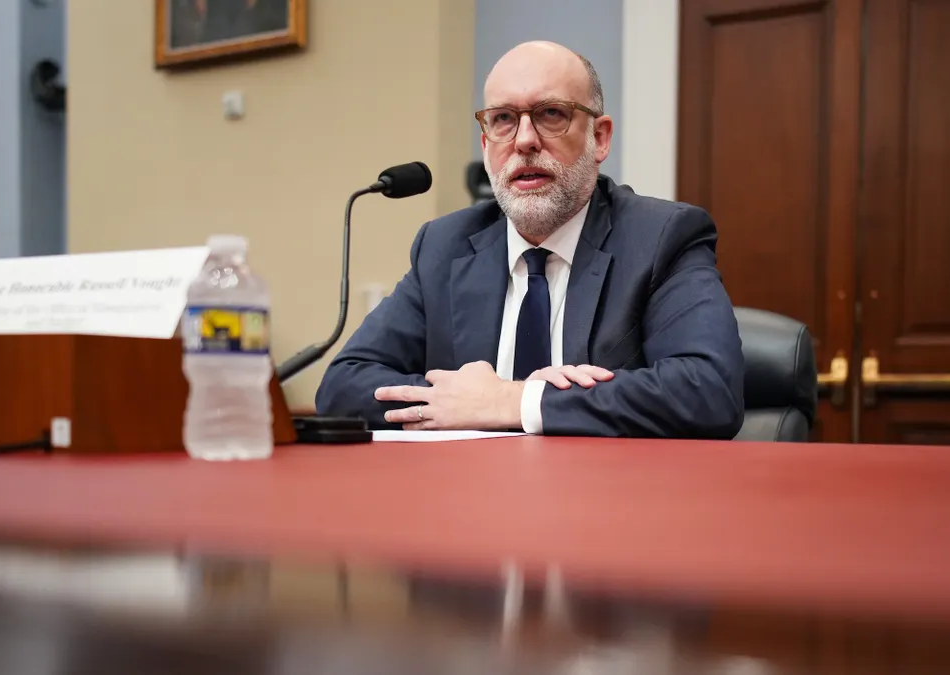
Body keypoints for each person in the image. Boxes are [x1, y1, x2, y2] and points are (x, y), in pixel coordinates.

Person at [316, 41, 744, 438]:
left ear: (599, 137)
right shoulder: (444, 246)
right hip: (469, 501)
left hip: (606, 503)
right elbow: (343, 385)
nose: (524, 141)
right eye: (503, 119)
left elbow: (709, 391)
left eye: (551, 114)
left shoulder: (660, 237)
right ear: (486, 144)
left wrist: (512, 400)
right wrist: (458, 402)